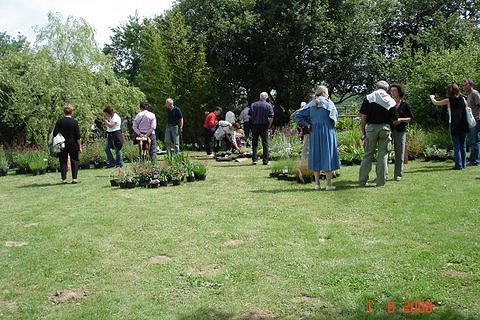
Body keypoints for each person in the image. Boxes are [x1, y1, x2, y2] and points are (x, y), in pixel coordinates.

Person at [295, 86, 340, 190]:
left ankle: (317, 184)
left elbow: (297, 115)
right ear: (324, 92)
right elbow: (334, 117)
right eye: (327, 92)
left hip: (314, 132)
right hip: (327, 132)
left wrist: (307, 124)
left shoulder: (311, 104)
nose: (328, 94)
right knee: (327, 155)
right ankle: (328, 184)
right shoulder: (329, 103)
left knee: (316, 155)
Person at [359, 80, 398, 187]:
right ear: (387, 89)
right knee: (383, 156)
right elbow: (395, 119)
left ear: (376, 87)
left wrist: (363, 131)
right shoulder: (391, 100)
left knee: (368, 155)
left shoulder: (369, 98)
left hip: (371, 128)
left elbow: (363, 117)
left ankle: (363, 180)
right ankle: (380, 181)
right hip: (385, 128)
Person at [430, 83, 469, 169]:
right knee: (463, 145)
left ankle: (458, 165)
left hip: (454, 124)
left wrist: (432, 97)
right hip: (463, 124)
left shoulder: (449, 100)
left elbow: (436, 103)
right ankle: (463, 164)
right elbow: (467, 109)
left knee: (456, 145)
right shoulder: (463, 99)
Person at [389, 84, 413, 181]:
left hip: (400, 131)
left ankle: (398, 174)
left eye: (394, 91)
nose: (392, 93)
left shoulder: (405, 104)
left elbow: (410, 118)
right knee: (385, 152)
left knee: (400, 153)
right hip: (389, 130)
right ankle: (383, 174)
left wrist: (401, 120)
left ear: (399, 92)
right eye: (391, 91)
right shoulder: (388, 103)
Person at [53, 104, 82, 184]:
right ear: (71, 112)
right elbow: (78, 135)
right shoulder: (74, 122)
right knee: (75, 160)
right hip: (73, 143)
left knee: (63, 160)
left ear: (64, 112)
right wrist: (79, 146)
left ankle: (64, 179)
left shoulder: (59, 121)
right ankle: (74, 179)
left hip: (62, 144)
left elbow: (55, 133)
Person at [249, 92, 274, 165]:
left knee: (254, 143)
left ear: (260, 97)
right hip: (264, 125)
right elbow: (271, 117)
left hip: (255, 125)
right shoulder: (268, 105)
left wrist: (254, 119)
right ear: (266, 97)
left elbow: (249, 116)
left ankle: (254, 160)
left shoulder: (253, 104)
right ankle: (265, 161)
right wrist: (269, 125)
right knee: (265, 143)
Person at [463, 79, 480, 166]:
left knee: (475, 141)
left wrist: (477, 117)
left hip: (476, 120)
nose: (464, 87)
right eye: (463, 85)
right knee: (473, 141)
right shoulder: (469, 95)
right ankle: (473, 160)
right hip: (471, 121)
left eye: (465, 85)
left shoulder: (475, 93)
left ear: (470, 85)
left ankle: (475, 161)